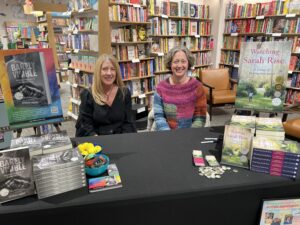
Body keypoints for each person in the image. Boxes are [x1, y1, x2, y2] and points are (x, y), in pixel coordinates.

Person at [75, 54, 136, 137]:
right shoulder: (88, 94)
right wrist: (97, 140)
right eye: (105, 69)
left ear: (117, 72)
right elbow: (85, 124)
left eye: (112, 69)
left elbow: (128, 122)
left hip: (120, 139)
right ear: (98, 72)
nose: (109, 73)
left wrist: (123, 140)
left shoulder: (124, 93)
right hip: (96, 141)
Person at [153, 46, 207, 130]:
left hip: (190, 135)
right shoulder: (160, 88)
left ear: (188, 63)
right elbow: (159, 116)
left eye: (183, 61)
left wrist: (189, 136)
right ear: (170, 64)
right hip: (166, 135)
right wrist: (169, 135)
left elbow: (200, 117)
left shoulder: (197, 87)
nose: (179, 65)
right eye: (176, 62)